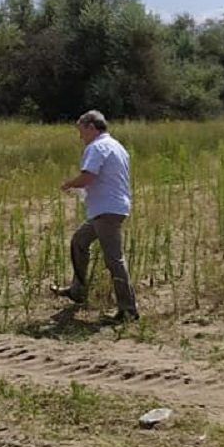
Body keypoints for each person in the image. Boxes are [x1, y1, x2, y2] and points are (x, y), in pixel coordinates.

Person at [52, 110, 139, 323]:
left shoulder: (97, 147)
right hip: (109, 208)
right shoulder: (116, 146)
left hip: (106, 210)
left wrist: (70, 184)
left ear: (91, 127)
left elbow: (88, 177)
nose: (80, 136)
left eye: (81, 131)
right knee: (79, 241)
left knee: (114, 259)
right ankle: (77, 290)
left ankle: (128, 310)